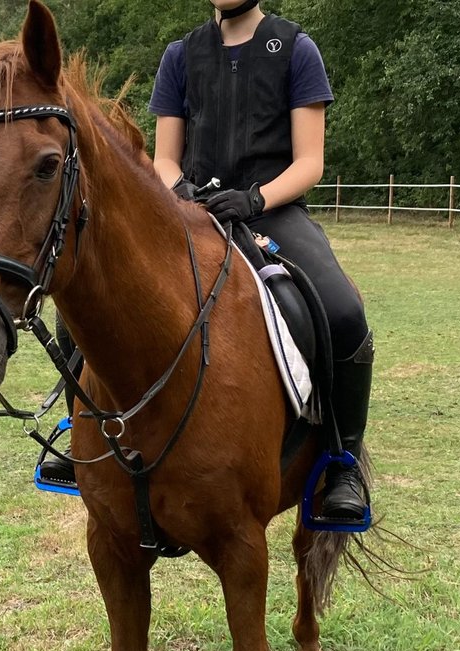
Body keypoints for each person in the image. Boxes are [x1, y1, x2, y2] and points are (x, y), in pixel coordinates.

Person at [148, 0, 374, 521]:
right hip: (194, 212)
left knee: (343, 312)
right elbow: (164, 158)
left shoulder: (297, 49)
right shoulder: (180, 55)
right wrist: (183, 192)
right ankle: (81, 434)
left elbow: (310, 161)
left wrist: (255, 198)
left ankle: (342, 463)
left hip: (272, 210)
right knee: (99, 288)